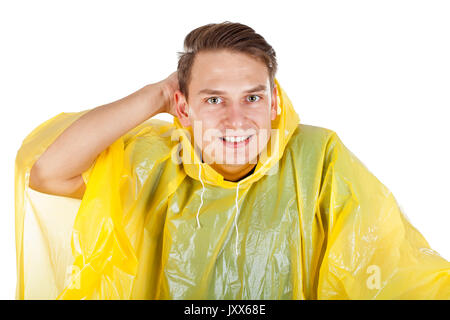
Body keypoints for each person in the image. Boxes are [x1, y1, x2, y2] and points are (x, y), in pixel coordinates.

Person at [15, 21, 449, 300]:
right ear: (183, 108)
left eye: (253, 97)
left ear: (274, 102)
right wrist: (159, 94)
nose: (236, 119)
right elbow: (49, 173)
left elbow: (391, 269)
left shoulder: (320, 162)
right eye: (215, 98)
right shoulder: (152, 165)